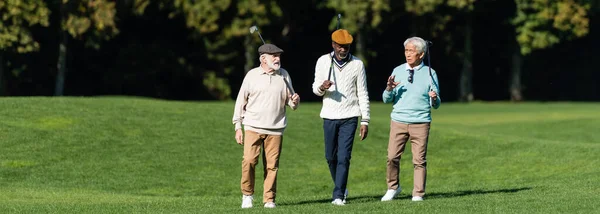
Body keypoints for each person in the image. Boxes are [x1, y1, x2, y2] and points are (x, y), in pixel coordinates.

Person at [232, 43, 300, 209]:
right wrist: (237, 126)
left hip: (276, 129)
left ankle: (269, 199)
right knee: (249, 161)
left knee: (272, 166)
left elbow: (291, 103)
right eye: (273, 56)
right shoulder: (252, 75)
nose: (277, 59)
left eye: (278, 56)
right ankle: (247, 195)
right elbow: (241, 101)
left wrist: (295, 101)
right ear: (263, 59)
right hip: (252, 127)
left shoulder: (284, 75)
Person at [312, 29, 370, 206]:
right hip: (329, 115)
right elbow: (315, 89)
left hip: (350, 116)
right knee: (330, 156)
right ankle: (341, 185)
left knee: (344, 157)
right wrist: (322, 87)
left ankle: (338, 195)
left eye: (346, 46)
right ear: (333, 45)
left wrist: (365, 120)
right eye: (339, 46)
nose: (343, 50)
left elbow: (363, 92)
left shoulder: (357, 64)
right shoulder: (323, 61)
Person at [380, 36, 441, 202]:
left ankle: (418, 194)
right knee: (392, 157)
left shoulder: (430, 73)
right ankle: (393, 187)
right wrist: (388, 88)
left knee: (419, 160)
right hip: (398, 121)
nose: (407, 54)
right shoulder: (397, 70)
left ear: (421, 54)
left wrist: (434, 98)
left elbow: (436, 104)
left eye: (411, 51)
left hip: (421, 122)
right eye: (406, 50)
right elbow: (386, 99)